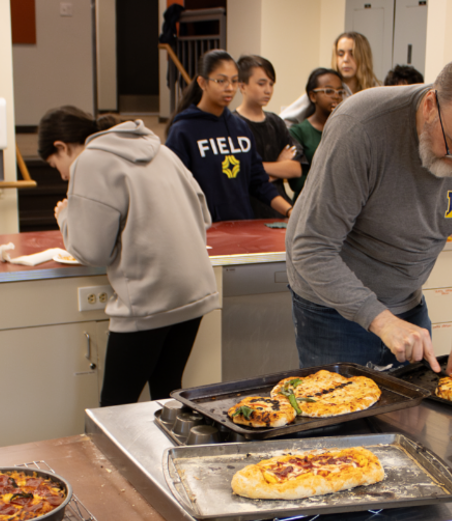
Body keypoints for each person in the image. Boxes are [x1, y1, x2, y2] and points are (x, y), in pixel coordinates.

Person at [285, 60, 452, 373]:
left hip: (407, 307)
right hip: (332, 309)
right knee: (338, 418)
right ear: (431, 105)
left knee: (415, 418)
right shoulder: (361, 127)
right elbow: (311, 247)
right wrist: (381, 321)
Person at [40, 106, 221, 407]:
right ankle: (163, 456)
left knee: (114, 407)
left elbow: (90, 251)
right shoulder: (160, 150)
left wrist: (65, 215)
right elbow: (203, 215)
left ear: (61, 146)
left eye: (55, 163)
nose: (61, 174)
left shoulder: (91, 160)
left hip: (147, 299)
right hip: (194, 293)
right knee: (167, 398)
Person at [165, 50, 292, 222]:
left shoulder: (240, 128)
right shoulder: (183, 130)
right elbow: (174, 189)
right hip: (203, 229)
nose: (230, 88)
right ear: (202, 82)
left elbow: (258, 182)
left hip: (242, 226)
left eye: (234, 81)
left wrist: (290, 211)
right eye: (221, 81)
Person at [235, 55, 304, 219]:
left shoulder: (276, 122)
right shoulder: (233, 125)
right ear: (242, 86)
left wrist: (256, 170)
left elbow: (295, 169)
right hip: (248, 211)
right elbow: (240, 174)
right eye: (261, 83)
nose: (268, 90)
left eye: (271, 84)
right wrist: (279, 166)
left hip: (279, 208)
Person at [280, 31, 380, 125]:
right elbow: (284, 119)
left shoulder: (376, 91)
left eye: (352, 54)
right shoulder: (324, 88)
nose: (345, 59)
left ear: (363, 57)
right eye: (340, 54)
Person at [287, 68, 344, 199]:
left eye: (340, 92)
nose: (336, 96)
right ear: (313, 96)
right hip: (308, 207)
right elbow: (297, 182)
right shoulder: (298, 132)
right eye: (328, 91)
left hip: (339, 206)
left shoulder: (346, 131)